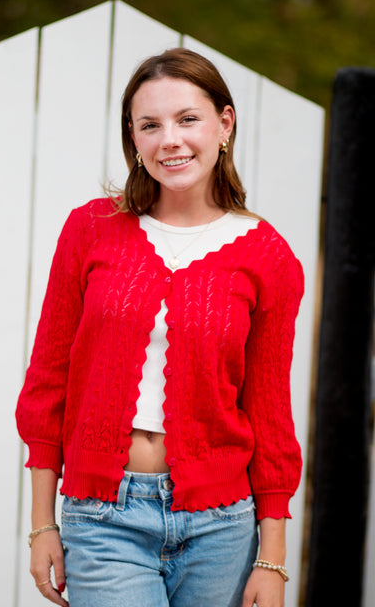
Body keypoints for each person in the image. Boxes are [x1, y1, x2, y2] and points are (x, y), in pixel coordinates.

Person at [16, 47, 303, 607]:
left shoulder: (269, 257)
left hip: (221, 527)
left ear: (224, 124)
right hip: (102, 513)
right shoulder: (91, 230)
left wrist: (272, 558)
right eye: (150, 125)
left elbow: (269, 412)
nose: (169, 139)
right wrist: (42, 522)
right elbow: (47, 381)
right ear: (134, 138)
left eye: (187, 119)